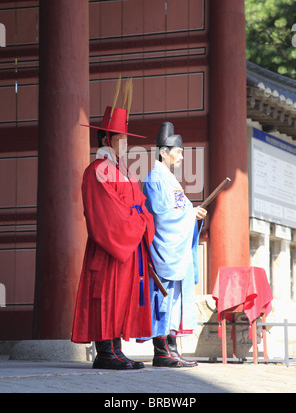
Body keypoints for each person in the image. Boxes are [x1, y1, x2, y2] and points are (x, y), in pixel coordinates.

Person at [71, 78, 155, 370]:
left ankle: (117, 349)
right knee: (106, 297)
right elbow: (106, 214)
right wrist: (137, 222)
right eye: (121, 138)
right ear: (106, 139)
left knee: (122, 298)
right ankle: (105, 352)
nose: (126, 143)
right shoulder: (97, 170)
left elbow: (140, 204)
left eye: (126, 138)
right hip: (111, 247)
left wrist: (143, 220)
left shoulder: (124, 171)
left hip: (130, 245)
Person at [142, 122, 207, 368]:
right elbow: (161, 215)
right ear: (162, 152)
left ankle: (172, 349)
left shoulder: (170, 180)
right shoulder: (154, 179)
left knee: (176, 300)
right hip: (165, 247)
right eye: (177, 151)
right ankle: (161, 352)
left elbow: (181, 209)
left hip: (177, 248)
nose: (181, 155)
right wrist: (189, 215)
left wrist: (194, 212)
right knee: (163, 300)